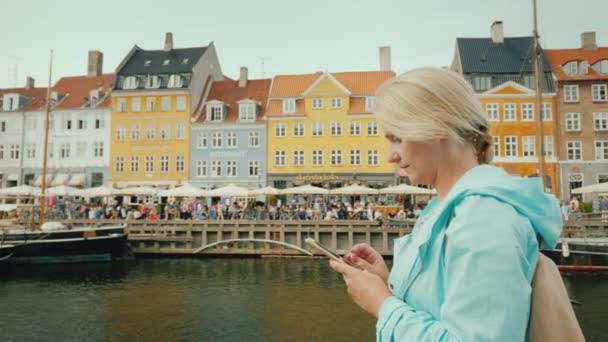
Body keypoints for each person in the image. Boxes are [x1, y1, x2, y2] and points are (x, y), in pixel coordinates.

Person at [329, 67, 562, 341]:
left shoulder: (482, 218)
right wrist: (389, 284)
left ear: (438, 125)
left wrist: (383, 304)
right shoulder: (447, 209)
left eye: (397, 138)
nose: (391, 156)